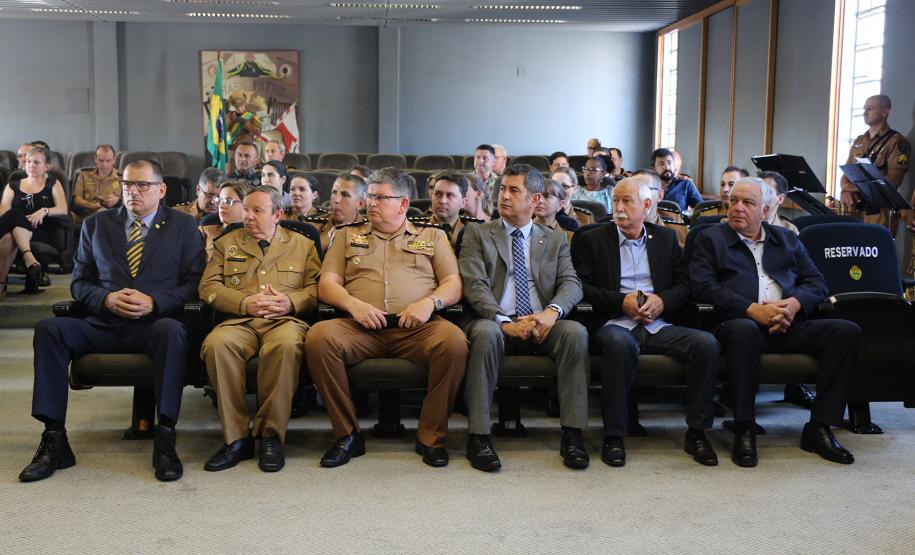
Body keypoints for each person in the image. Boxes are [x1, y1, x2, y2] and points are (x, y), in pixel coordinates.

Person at [19, 159, 205, 482]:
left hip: (154, 323)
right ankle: (54, 439)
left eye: (142, 185)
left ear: (161, 190)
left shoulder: (183, 226)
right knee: (49, 329)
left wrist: (155, 301)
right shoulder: (96, 224)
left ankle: (165, 437)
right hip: (104, 322)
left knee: (173, 332)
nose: (133, 191)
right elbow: (79, 283)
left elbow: (193, 283)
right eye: (127, 184)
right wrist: (104, 299)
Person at [689, 177, 861, 467]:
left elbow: (816, 283)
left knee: (845, 331)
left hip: (787, 321)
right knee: (744, 331)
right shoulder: (710, 238)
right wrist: (752, 309)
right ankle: (744, 426)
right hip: (737, 323)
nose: (738, 208)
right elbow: (703, 287)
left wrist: (793, 305)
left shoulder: (787, 239)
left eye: (748, 203)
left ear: (766, 209)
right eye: (734, 201)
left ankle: (819, 426)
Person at [305, 168, 467, 468]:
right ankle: (347, 435)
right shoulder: (346, 235)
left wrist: (429, 303)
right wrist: (354, 306)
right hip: (359, 327)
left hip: (417, 328)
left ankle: (431, 437)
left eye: (380, 197)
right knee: (318, 337)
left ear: (403, 204)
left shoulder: (432, 236)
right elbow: (326, 284)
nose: (371, 203)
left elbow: (454, 283)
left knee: (455, 342)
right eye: (369, 197)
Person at [571, 177, 720, 467]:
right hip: (614, 322)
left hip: (658, 323)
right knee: (618, 344)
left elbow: (685, 284)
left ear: (647, 205)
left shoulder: (664, 239)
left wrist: (663, 300)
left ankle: (698, 432)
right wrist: (620, 302)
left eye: (627, 201)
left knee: (706, 344)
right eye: (615, 201)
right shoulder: (591, 239)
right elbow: (579, 287)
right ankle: (614, 434)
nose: (619, 208)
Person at [459, 164, 589, 472]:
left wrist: (550, 313)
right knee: (485, 334)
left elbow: (571, 282)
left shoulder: (555, 240)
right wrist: (504, 321)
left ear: (534, 200)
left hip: (540, 321)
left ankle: (572, 435)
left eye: (513, 190)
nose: (504, 195)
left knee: (575, 333)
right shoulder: (477, 233)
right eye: (502, 189)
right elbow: (474, 285)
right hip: (494, 320)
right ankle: (479, 436)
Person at [199, 186, 321, 473]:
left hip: (284, 322)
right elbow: (208, 286)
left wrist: (291, 302)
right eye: (246, 210)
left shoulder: (302, 245)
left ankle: (270, 437)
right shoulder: (225, 243)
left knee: (286, 347)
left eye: (257, 211)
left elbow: (317, 288)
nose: (248, 217)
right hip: (240, 321)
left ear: (278, 214)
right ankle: (236, 439)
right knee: (217, 344)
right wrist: (244, 303)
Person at [0, 146, 68, 298]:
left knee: (15, 218)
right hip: (12, 230)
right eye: (28, 161)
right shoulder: (13, 186)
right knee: (11, 228)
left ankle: (1, 285)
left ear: (47, 166)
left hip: (39, 231)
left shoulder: (53, 183)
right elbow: (4, 215)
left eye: (36, 162)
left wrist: (44, 210)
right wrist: (20, 220)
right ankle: (27, 257)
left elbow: (63, 209)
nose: (31, 165)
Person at [839, 95, 910, 225]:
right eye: (864, 109)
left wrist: (852, 188)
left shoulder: (897, 142)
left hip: (879, 212)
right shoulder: (859, 140)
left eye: (870, 109)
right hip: (854, 209)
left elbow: (892, 182)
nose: (864, 113)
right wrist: (844, 190)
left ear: (885, 112)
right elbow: (846, 173)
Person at [302, 172, 366, 250]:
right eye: (334, 192)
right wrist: (321, 245)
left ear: (360, 203)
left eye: (345, 194)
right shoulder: (312, 226)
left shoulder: (371, 232)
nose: (336, 200)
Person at [418, 172, 483, 247]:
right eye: (438, 194)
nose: (442, 201)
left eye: (450, 196)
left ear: (463, 202)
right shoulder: (415, 227)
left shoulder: (476, 230)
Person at [199, 179, 253, 260]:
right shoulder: (207, 230)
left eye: (228, 201)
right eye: (220, 200)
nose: (221, 206)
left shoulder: (256, 235)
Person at [634, 169, 687, 248]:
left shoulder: (678, 231)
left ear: (660, 195)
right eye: (631, 190)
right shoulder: (615, 228)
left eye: (644, 189)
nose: (636, 195)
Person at [70, 144, 121, 225]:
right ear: (95, 159)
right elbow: (77, 200)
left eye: (108, 161)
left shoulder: (121, 178)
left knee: (102, 213)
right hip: (84, 214)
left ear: (114, 160)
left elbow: (130, 203)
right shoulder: (84, 174)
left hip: (108, 216)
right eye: (101, 160)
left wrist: (118, 200)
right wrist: (93, 206)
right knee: (66, 217)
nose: (104, 164)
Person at [534, 178, 578, 245]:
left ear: (560, 204)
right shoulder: (520, 232)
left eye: (546, 196)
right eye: (537, 196)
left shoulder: (570, 238)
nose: (539, 201)